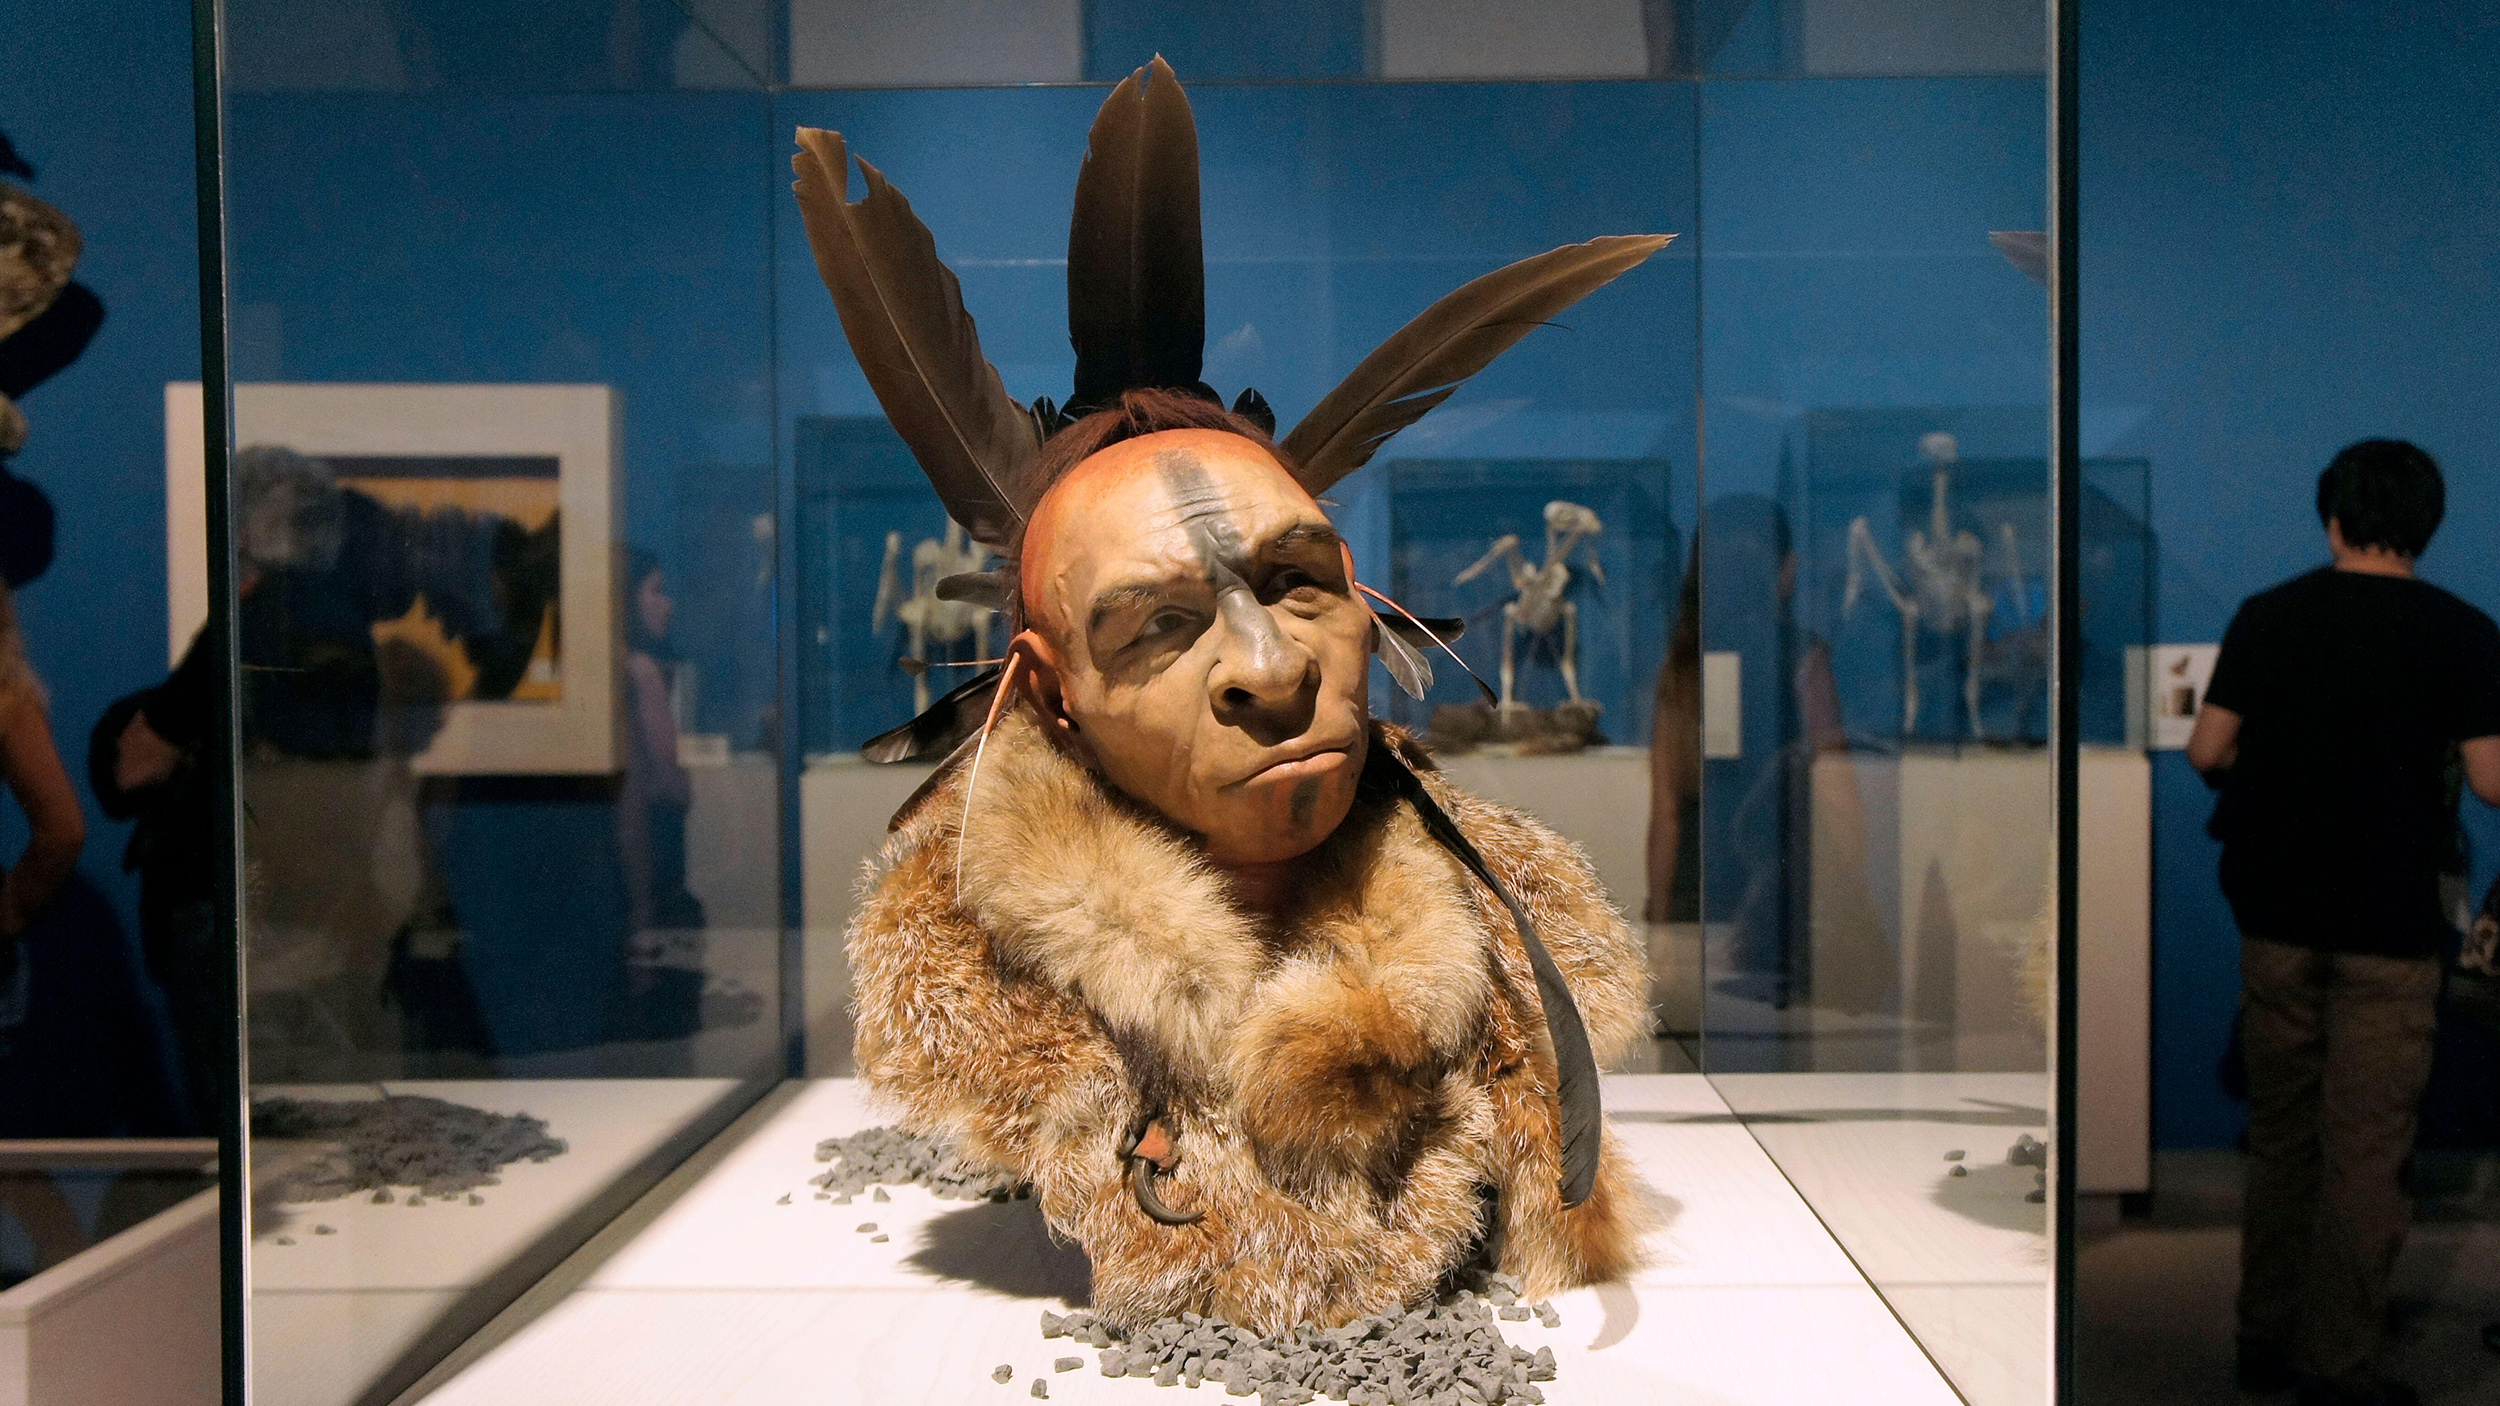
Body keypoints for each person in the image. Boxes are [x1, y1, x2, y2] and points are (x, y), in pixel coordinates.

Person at [2187, 438, 2500, 1406]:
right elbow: (2492, 782)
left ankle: (2262, 1337)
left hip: (2277, 915)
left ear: (2331, 516)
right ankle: (2336, 1362)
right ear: (2426, 524)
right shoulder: (2459, 630)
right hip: (2392, 925)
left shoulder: (2268, 617)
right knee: (2366, 1147)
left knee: (2281, 1135)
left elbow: (2206, 750)